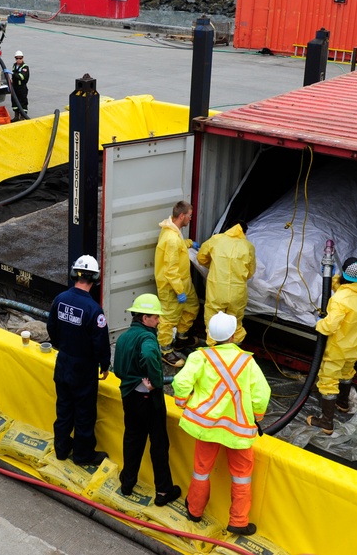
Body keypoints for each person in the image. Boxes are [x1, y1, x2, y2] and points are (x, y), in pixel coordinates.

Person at [172, 312, 270, 536]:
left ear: (211, 334)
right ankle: (238, 521)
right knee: (242, 476)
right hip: (238, 431)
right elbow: (262, 394)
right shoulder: (247, 361)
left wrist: (181, 402)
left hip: (206, 428)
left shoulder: (200, 357)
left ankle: (194, 511)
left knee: (201, 471)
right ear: (234, 334)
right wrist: (257, 415)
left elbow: (181, 382)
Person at [112, 293, 181, 506]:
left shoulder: (123, 337)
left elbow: (118, 370)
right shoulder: (148, 338)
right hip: (149, 399)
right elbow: (151, 355)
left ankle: (127, 482)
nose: (158, 321)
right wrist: (156, 382)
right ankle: (163, 492)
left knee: (132, 438)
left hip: (129, 397)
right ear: (144, 318)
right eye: (155, 317)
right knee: (158, 443)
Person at [47, 255, 111, 466]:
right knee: (84, 414)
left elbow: (52, 329)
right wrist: (104, 364)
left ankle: (61, 449)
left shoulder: (59, 299)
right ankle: (83, 456)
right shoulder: (94, 310)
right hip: (84, 370)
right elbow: (100, 342)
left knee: (63, 409)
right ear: (95, 279)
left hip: (63, 364)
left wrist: (63, 347)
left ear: (74, 274)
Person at [306, 257, 357, 435]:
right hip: (355, 345)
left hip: (338, 348)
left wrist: (318, 324)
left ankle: (327, 421)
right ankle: (342, 403)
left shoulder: (340, 300)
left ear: (343, 272)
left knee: (328, 380)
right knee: (346, 373)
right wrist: (335, 277)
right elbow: (345, 289)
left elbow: (329, 326)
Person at [154, 200, 201, 367]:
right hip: (173, 287)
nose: (190, 218)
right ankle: (165, 351)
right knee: (168, 319)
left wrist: (189, 243)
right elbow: (170, 269)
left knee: (192, 308)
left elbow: (179, 246)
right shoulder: (171, 239)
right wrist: (179, 291)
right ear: (182, 216)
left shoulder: (173, 230)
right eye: (189, 216)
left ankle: (181, 339)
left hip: (182, 282)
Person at [196, 221, 256, 346]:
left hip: (216, 291)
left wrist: (213, 265)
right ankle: (233, 353)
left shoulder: (216, 240)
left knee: (213, 323)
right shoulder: (248, 246)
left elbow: (201, 258)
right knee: (235, 325)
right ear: (244, 232)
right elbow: (250, 272)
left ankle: (214, 355)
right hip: (237, 293)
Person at [11, 50, 30, 121]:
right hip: (14, 87)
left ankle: (23, 116)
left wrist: (13, 74)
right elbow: (13, 76)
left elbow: (22, 77)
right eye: (17, 58)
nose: (18, 60)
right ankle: (16, 116)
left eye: (20, 58)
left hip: (21, 87)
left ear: (23, 58)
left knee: (22, 101)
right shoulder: (14, 65)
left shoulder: (25, 67)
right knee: (14, 101)